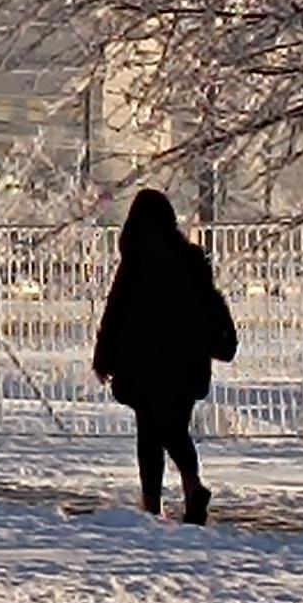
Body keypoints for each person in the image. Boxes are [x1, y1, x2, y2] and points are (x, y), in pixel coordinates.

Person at [90, 188, 239, 521]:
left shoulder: (136, 261)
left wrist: (104, 357)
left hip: (143, 362)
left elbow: (116, 312)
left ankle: (154, 502)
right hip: (186, 360)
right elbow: (210, 302)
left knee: (150, 431)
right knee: (174, 427)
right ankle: (191, 484)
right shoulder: (191, 259)